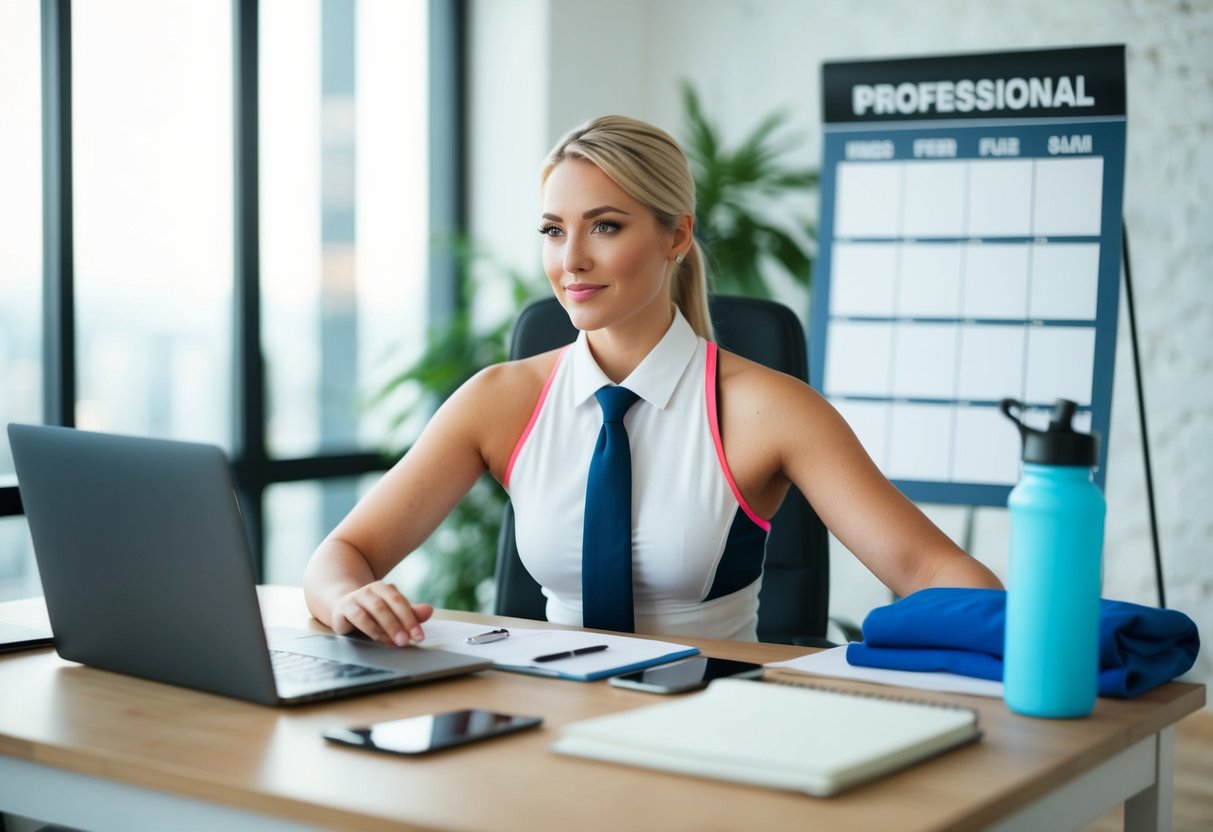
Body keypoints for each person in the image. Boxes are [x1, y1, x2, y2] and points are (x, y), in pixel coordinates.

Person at [303, 115, 1002, 646]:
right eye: (552, 230)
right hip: (541, 724)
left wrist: (1013, 646)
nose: (570, 259)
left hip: (712, 732)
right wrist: (346, 600)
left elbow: (933, 572)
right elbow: (344, 554)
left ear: (674, 237)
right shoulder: (499, 401)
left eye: (603, 226)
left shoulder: (767, 411)